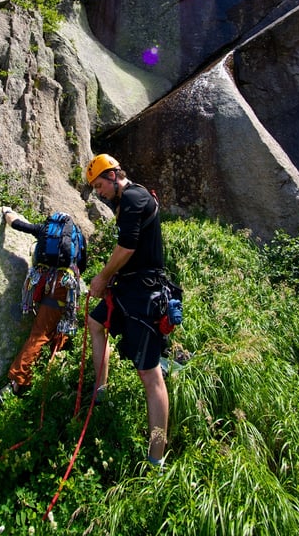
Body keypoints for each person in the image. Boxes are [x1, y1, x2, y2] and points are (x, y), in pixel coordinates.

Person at [85, 154, 169, 467]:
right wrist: (113, 279)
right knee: (95, 323)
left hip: (143, 295)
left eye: (99, 185)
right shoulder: (130, 201)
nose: (99, 192)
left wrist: (103, 276)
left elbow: (129, 246)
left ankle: (156, 458)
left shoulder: (135, 197)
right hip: (129, 289)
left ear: (113, 175)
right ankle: (100, 389)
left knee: (150, 375)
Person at [0, 206, 86, 401]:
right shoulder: (77, 237)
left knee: (45, 331)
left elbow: (18, 224)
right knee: (45, 332)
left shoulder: (44, 229)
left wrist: (6, 213)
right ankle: (18, 379)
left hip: (41, 282)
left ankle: (48, 372)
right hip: (64, 286)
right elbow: (83, 265)